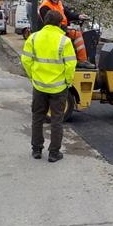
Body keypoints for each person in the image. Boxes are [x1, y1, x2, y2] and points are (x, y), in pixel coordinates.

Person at [21, 10, 77, 162]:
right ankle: (54, 153)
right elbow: (71, 65)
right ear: (60, 23)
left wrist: (33, 76)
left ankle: (36, 150)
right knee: (56, 120)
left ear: (45, 22)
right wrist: (67, 81)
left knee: (37, 118)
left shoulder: (33, 38)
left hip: (39, 87)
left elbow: (26, 60)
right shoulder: (64, 41)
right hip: (58, 88)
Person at [38, 0, 95, 69]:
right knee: (77, 35)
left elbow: (68, 13)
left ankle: (77, 57)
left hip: (61, 28)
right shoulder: (45, 6)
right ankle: (82, 60)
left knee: (77, 32)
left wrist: (78, 16)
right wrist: (65, 28)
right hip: (54, 30)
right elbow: (50, 23)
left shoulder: (59, 4)